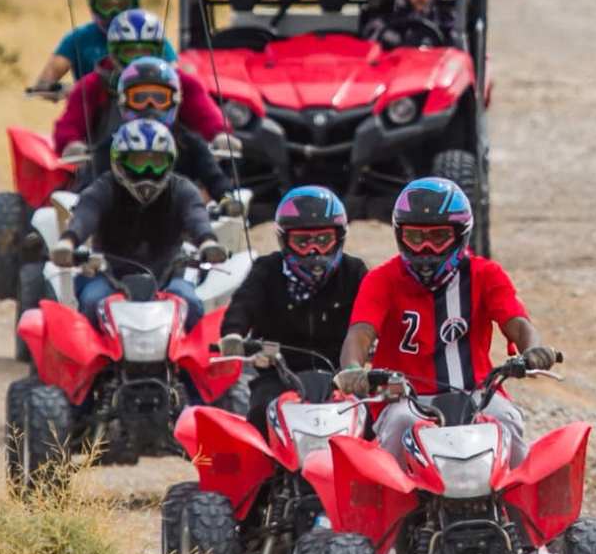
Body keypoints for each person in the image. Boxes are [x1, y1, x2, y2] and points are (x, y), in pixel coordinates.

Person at [335, 177, 557, 467]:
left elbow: (518, 323)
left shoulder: (486, 274)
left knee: (507, 422)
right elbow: (360, 333)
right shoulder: (381, 280)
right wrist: (352, 369)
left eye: (438, 237)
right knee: (399, 428)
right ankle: (396, 511)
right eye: (416, 237)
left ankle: (518, 510)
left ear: (461, 235)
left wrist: (533, 351)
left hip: (478, 393)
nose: (426, 248)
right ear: (400, 236)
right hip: (404, 399)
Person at [51, 120, 224, 331]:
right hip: (107, 273)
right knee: (92, 302)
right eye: (138, 161)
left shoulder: (181, 189)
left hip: (169, 274)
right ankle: (98, 364)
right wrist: (68, 241)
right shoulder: (105, 187)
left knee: (191, 305)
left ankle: (186, 364)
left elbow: (196, 215)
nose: (148, 171)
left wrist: (207, 242)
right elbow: (86, 213)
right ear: (119, 162)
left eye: (156, 162)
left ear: (170, 163)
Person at [219, 187, 368, 431]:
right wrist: (233, 334)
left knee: (370, 418)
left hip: (342, 378)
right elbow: (243, 303)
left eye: (323, 241)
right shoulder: (267, 269)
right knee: (259, 413)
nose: (314, 251)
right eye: (302, 242)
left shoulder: (354, 271)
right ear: (284, 240)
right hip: (278, 375)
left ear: (339, 238)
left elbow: (372, 313)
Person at [53, 9, 227, 153]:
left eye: (146, 52)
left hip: (176, 168)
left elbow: (207, 116)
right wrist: (71, 144)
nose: (138, 61)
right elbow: (69, 125)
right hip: (107, 169)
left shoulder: (184, 83)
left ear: (160, 51)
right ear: (113, 53)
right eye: (129, 52)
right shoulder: (92, 85)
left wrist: (220, 135)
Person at [78, 58, 236, 202]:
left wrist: (227, 198)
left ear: (174, 100)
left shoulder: (189, 143)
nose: (150, 106)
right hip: (122, 227)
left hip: (182, 227)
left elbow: (216, 180)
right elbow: (86, 188)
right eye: (140, 98)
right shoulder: (109, 147)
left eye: (159, 98)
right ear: (124, 102)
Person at [29, 0, 176, 97]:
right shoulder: (79, 38)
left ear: (136, 3)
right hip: (92, 116)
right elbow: (46, 80)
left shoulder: (149, 35)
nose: (114, 13)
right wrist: (73, 90)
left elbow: (177, 74)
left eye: (122, 5)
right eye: (106, 5)